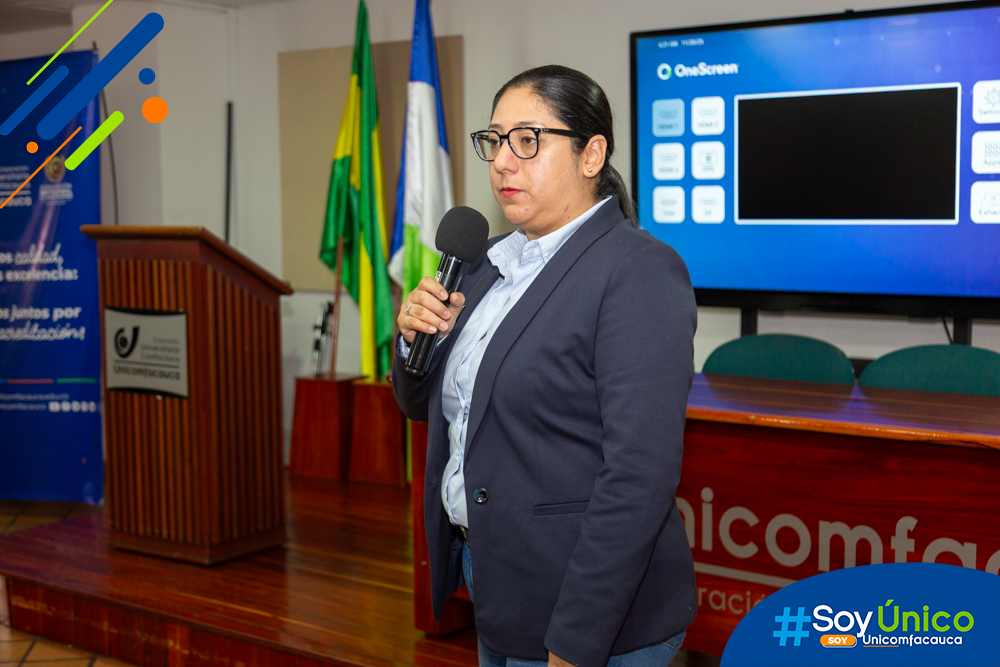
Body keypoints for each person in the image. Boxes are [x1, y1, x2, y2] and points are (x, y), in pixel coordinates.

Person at [392, 65, 697, 667]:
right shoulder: (482, 265)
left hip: (590, 611)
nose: (502, 162)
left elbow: (638, 476)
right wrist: (412, 343)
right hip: (497, 581)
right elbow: (422, 407)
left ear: (592, 155)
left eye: (527, 140)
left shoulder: (637, 271)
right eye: (494, 140)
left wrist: (576, 643)